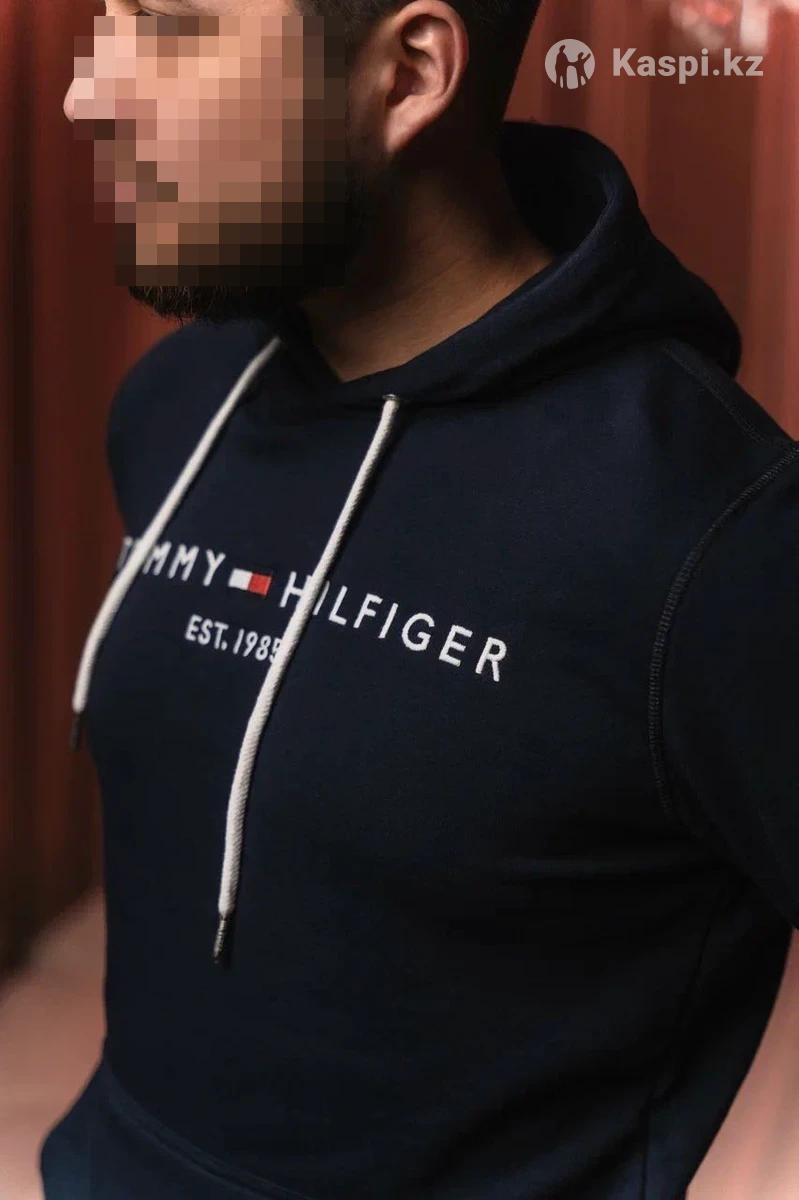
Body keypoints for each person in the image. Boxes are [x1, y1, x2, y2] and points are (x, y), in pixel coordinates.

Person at [42, 0, 798, 1197]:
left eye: (174, 29)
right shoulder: (176, 403)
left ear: (407, 73)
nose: (87, 95)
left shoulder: (715, 533)